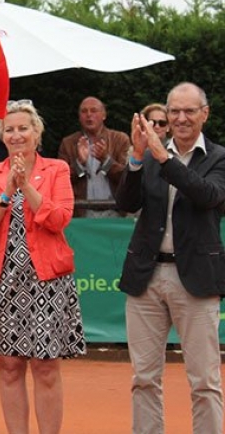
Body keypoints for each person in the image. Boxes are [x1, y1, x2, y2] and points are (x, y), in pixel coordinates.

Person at [0, 99, 86, 434]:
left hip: (46, 282)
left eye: (23, 128)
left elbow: (60, 219)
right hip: (2, 280)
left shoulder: (57, 170)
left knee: (46, 366)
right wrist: (6, 193)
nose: (16, 134)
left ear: (37, 133)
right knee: (8, 365)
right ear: (2, 135)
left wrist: (27, 187)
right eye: (10, 129)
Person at [115, 82, 225, 434]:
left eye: (189, 111)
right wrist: (135, 156)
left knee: (205, 382)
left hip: (196, 278)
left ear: (204, 115)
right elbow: (126, 204)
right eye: (174, 111)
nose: (180, 118)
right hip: (146, 276)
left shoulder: (220, 158)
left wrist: (164, 158)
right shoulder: (148, 156)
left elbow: (207, 195)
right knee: (144, 378)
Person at [57, 96, 130, 217]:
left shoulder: (120, 139)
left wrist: (105, 160)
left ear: (104, 115)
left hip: (114, 212)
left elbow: (127, 179)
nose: (89, 115)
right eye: (84, 111)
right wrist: (80, 163)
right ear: (79, 117)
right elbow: (60, 181)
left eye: (94, 110)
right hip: (81, 213)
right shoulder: (68, 143)